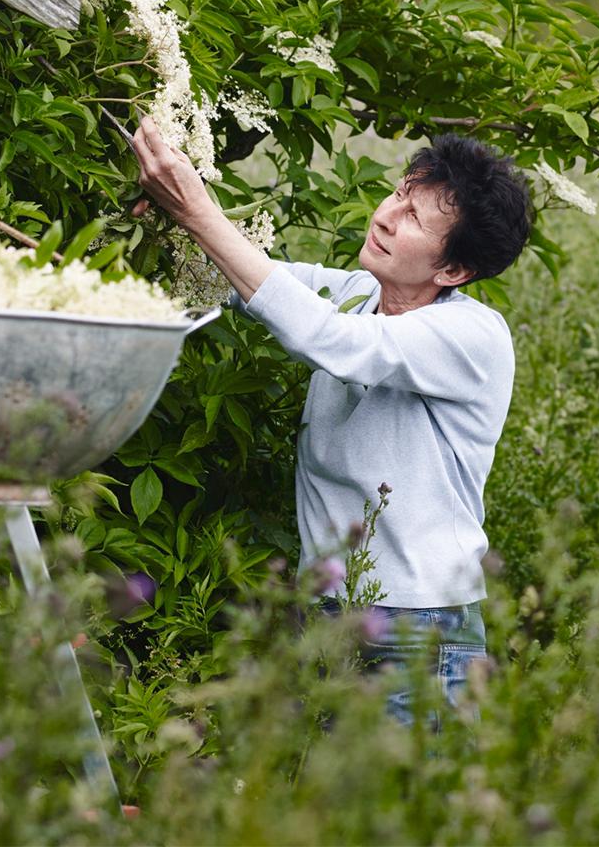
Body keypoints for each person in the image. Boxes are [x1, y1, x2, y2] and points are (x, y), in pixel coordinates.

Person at [127, 117, 532, 725]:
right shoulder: (354, 293)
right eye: (398, 193)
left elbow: (327, 339)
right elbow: (252, 279)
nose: (387, 216)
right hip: (332, 618)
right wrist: (169, 219)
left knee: (400, 816)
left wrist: (199, 211)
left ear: (453, 271)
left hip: (417, 634)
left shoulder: (471, 336)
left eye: (416, 219)